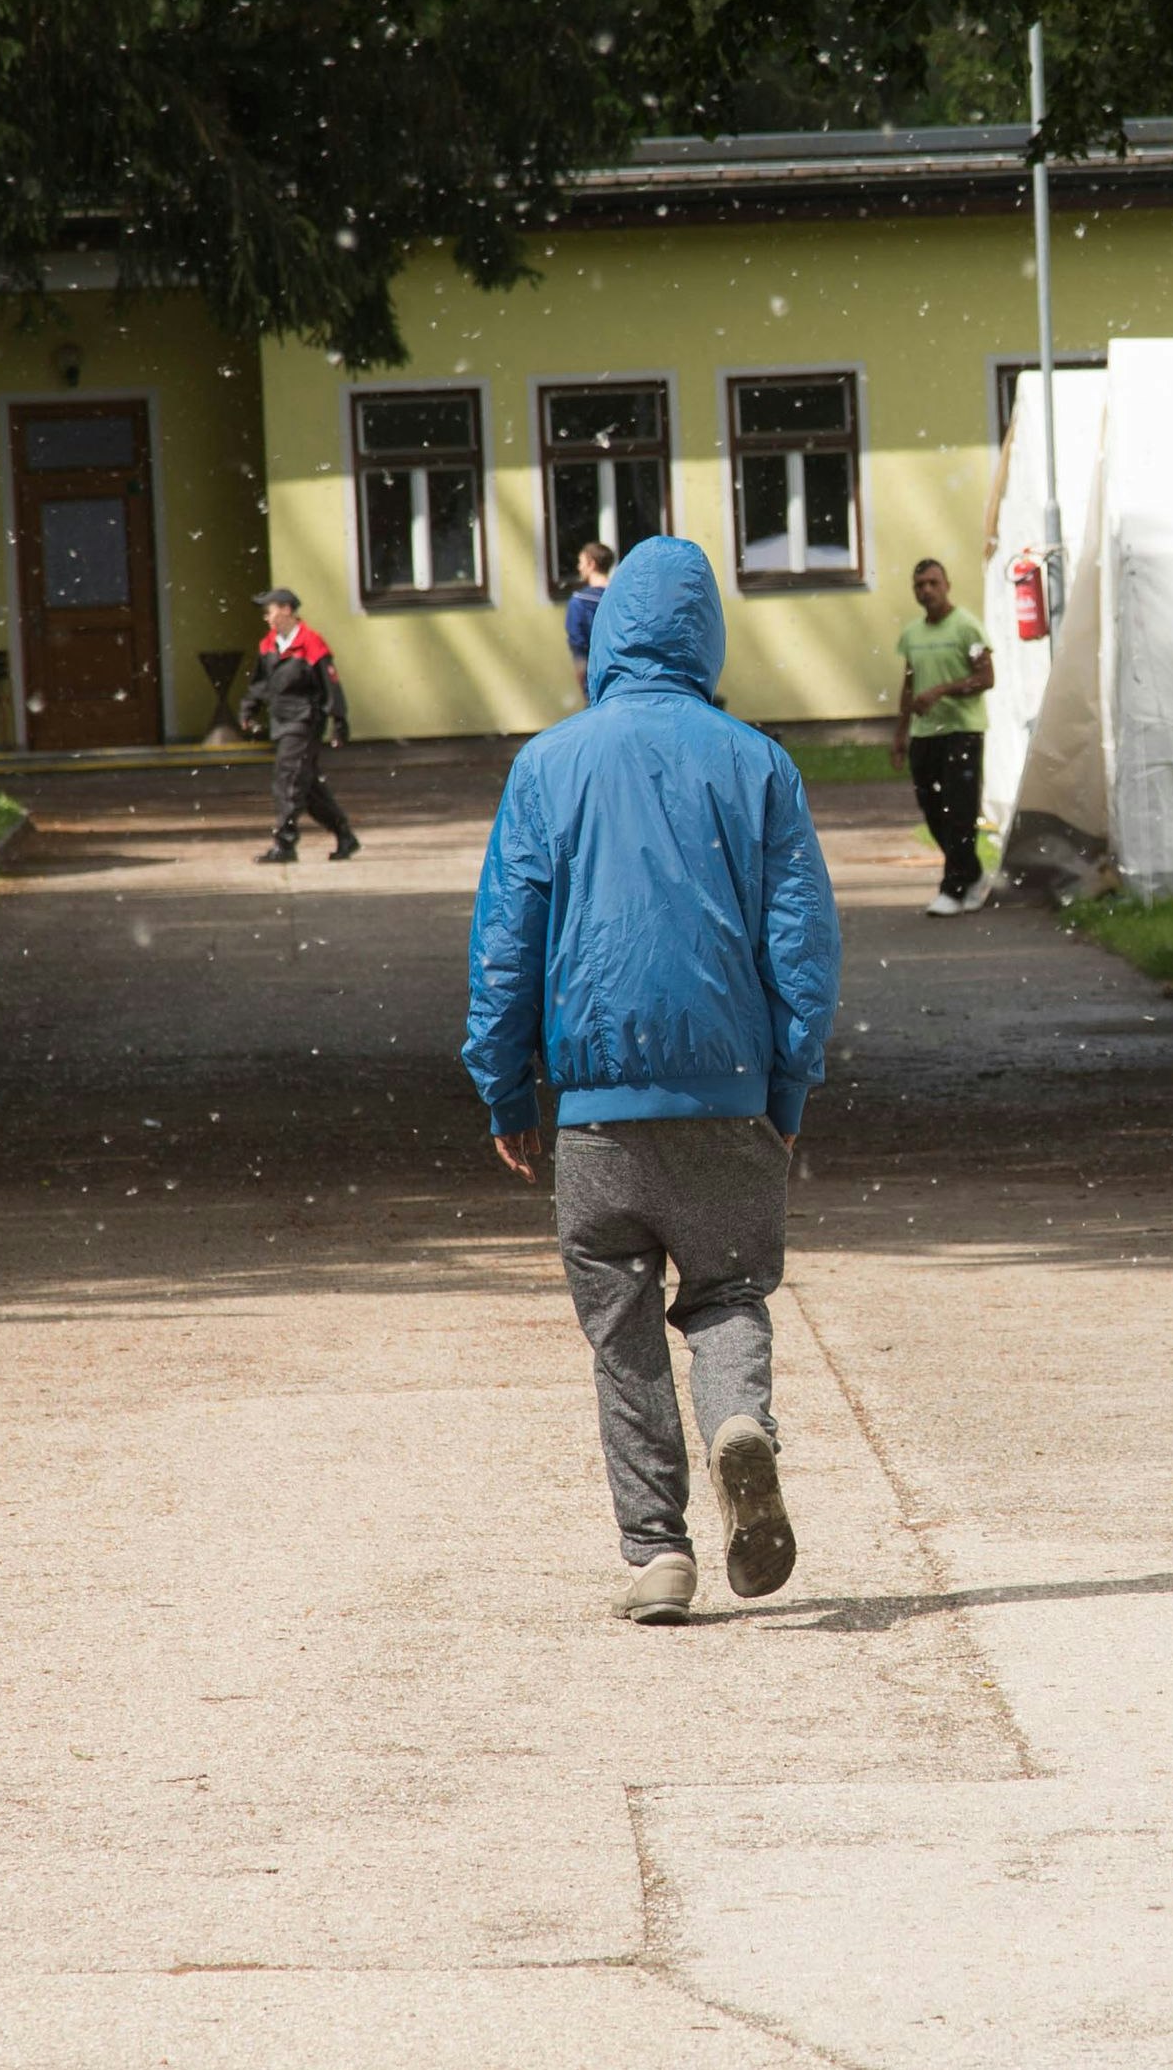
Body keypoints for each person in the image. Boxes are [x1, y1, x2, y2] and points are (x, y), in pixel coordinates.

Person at [464, 536, 840, 1624]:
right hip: (727, 1094)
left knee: (619, 1330)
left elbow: (506, 945)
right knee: (728, 1291)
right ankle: (738, 1425)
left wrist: (504, 1089)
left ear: (607, 632)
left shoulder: (549, 765)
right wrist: (786, 1090)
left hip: (593, 1115)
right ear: (705, 633)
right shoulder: (757, 762)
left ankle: (656, 1553)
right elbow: (801, 947)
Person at [894, 556, 997, 914]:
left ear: (947, 585)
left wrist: (941, 691)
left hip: (961, 732)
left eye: (933, 583)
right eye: (920, 585)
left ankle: (952, 888)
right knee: (933, 809)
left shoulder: (967, 628)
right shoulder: (912, 634)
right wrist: (899, 735)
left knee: (960, 810)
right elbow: (908, 687)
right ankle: (971, 872)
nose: (927, 591)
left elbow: (985, 677)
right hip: (925, 735)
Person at [238, 587, 358, 864]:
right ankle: (345, 835)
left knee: (288, 779)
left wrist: (338, 721)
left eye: (269, 611)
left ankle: (285, 843)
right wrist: (248, 709)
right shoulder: (269, 644)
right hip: (281, 721)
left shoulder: (311, 643)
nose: (267, 618)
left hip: (304, 721)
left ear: (287, 610)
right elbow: (260, 683)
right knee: (308, 786)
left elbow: (331, 686)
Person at [562, 540, 616, 680]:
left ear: (591, 564)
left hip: (597, 676)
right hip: (625, 677)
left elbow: (578, 646)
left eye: (581, 562)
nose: (579, 567)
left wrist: (583, 683)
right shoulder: (621, 596)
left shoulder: (579, 602)